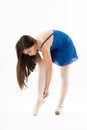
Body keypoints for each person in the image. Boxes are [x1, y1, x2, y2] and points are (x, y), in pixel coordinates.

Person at [15, 29, 78, 116]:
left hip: (65, 45)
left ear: (33, 44)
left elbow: (50, 69)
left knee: (64, 75)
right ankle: (39, 99)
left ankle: (60, 106)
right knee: (41, 67)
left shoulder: (43, 45)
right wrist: (41, 92)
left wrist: (47, 88)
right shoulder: (34, 47)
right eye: (27, 54)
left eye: (29, 51)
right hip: (54, 46)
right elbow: (41, 66)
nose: (29, 55)